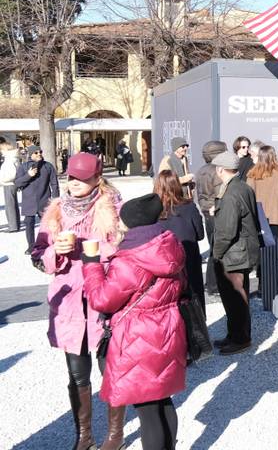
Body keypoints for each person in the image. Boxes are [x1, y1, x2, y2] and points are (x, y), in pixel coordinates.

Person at [30, 152, 126, 450]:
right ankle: (84, 437)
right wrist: (55, 251)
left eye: (82, 179)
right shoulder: (55, 211)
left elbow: (126, 249)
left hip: (104, 299)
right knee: (76, 374)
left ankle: (115, 436)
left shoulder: (113, 207)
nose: (75, 184)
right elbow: (38, 255)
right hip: (70, 305)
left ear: (98, 179)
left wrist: (90, 249)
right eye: (71, 178)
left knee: (110, 370)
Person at [83, 193, 186, 450]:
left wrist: (92, 265)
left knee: (147, 410)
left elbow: (103, 300)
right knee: (163, 401)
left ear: (132, 223)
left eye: (121, 219)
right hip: (167, 329)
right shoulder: (167, 245)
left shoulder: (131, 259)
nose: (118, 224)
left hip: (138, 337)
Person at [211, 150, 261, 354]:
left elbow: (226, 230)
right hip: (240, 251)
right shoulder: (242, 187)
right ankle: (234, 334)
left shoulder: (231, 193)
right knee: (236, 297)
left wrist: (217, 253)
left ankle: (240, 338)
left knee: (235, 299)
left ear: (221, 169)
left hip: (233, 253)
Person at [156, 169, 206, 309]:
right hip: (189, 258)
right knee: (194, 299)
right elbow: (200, 235)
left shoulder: (154, 210)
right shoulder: (189, 206)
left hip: (165, 262)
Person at [194, 140, 227, 297]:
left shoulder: (201, 171)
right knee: (219, 249)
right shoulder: (218, 171)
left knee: (214, 246)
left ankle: (212, 283)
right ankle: (214, 284)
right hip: (217, 211)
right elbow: (222, 193)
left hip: (206, 211)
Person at [15, 145, 60, 254]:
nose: (39, 154)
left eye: (40, 151)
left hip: (44, 200)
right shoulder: (23, 167)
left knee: (48, 225)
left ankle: (49, 244)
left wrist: (55, 200)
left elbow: (54, 184)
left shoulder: (48, 166)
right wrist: (28, 175)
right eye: (36, 152)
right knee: (29, 224)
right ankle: (31, 246)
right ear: (30, 154)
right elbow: (17, 183)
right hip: (28, 201)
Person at [246, 144, 278, 244]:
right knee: (276, 244)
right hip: (276, 215)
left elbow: (248, 194)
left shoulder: (252, 174)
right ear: (274, 156)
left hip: (259, 214)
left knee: (262, 244)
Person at [1, 141, 20, 233]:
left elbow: (12, 174)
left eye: (2, 149)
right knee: (12, 205)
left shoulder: (10, 159)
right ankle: (15, 224)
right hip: (10, 184)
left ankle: (13, 226)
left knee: (10, 206)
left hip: (9, 184)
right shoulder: (13, 158)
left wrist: (3, 179)